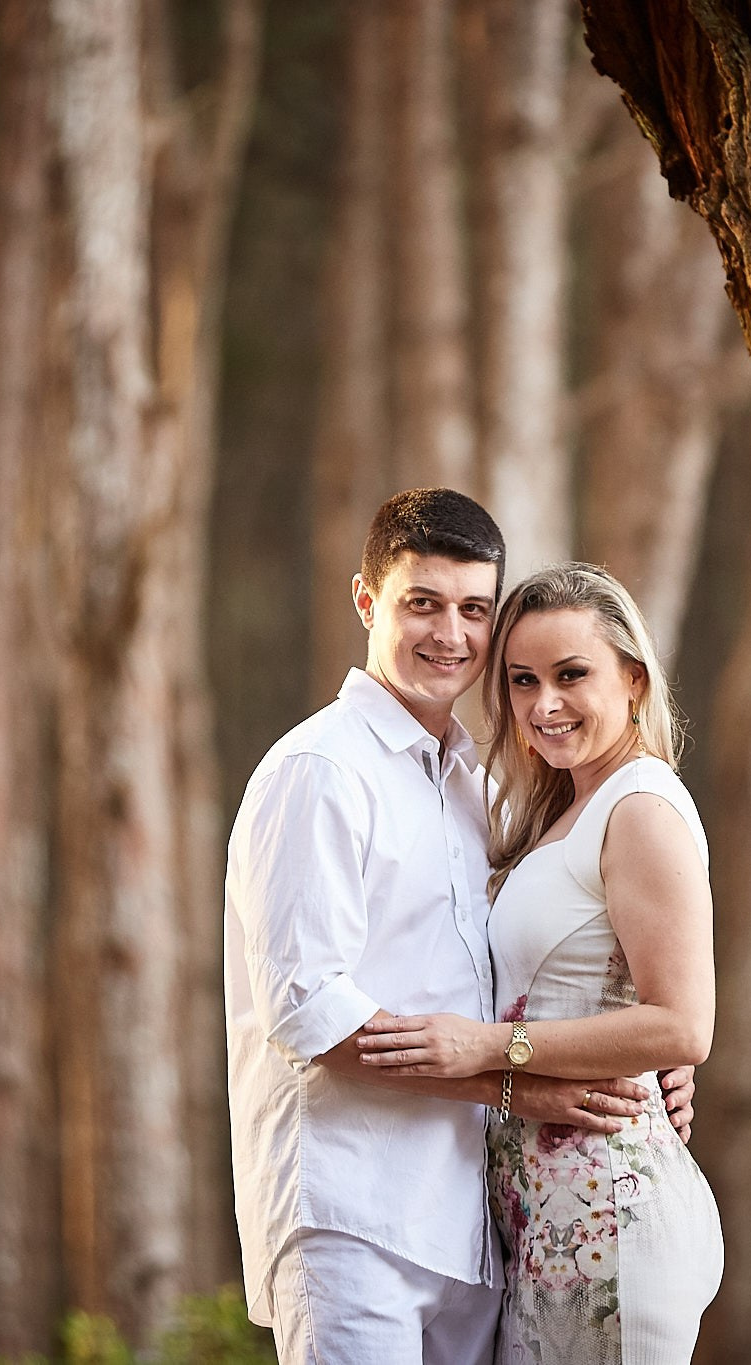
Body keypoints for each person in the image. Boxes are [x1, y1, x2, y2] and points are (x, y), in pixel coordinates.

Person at [225, 491, 696, 1365]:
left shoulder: (470, 786)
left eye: (474, 609)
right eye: (422, 603)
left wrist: (641, 1054)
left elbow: (538, 972)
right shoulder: (320, 770)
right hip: (352, 1211)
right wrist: (516, 1088)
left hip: (472, 1221)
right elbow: (308, 1009)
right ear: (367, 601)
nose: (451, 634)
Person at [357, 563, 723, 1363]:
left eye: (571, 675)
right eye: (523, 681)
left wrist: (489, 1046)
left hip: (612, 1216)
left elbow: (683, 1024)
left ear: (633, 678)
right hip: (546, 1216)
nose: (543, 704)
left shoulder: (642, 807)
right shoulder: (563, 810)